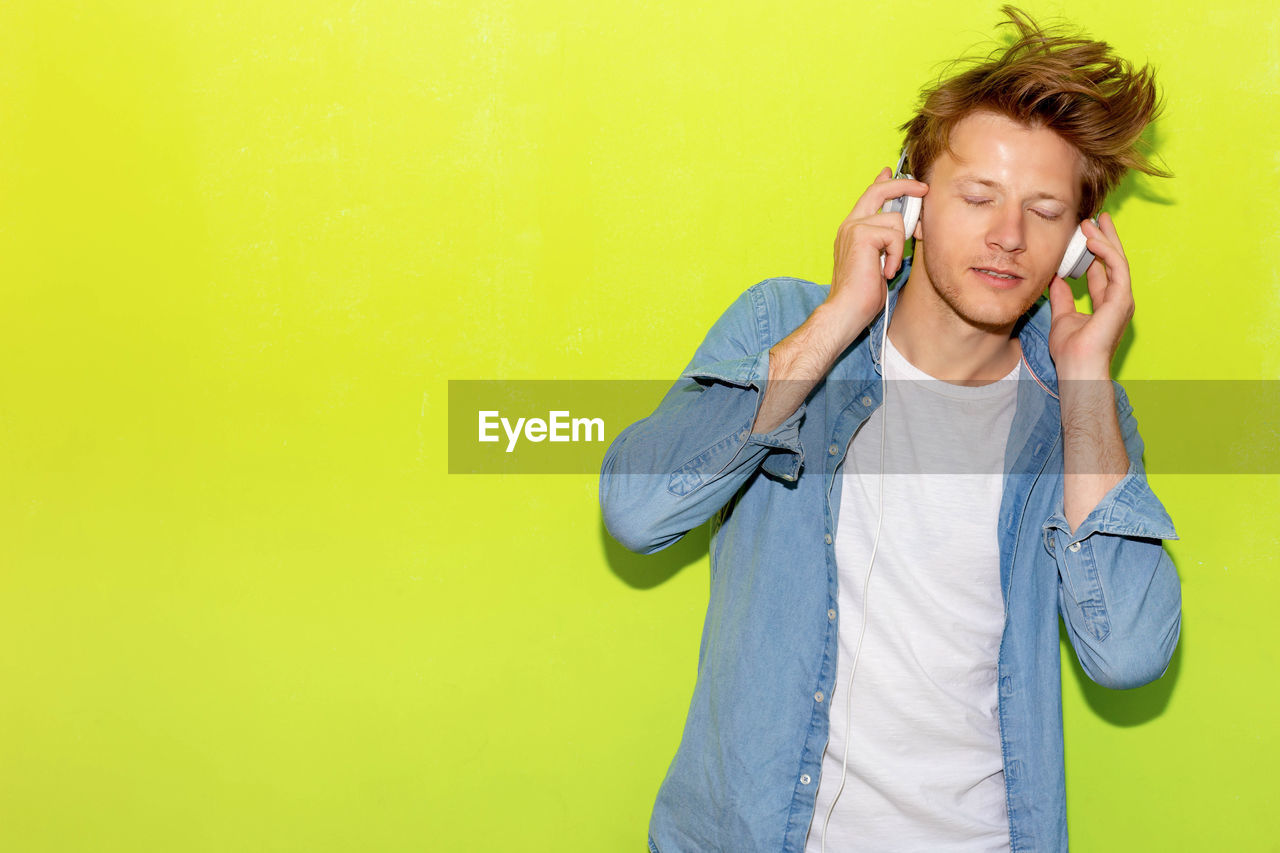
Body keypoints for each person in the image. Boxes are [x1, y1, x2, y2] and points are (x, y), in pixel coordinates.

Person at [599, 7, 1181, 852]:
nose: (1008, 236)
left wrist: (1088, 383)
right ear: (912, 205)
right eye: (978, 196)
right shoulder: (787, 326)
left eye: (1044, 211)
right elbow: (639, 512)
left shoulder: (1081, 415)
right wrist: (838, 316)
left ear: (1075, 250)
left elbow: (1126, 653)